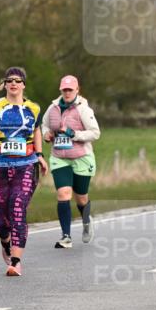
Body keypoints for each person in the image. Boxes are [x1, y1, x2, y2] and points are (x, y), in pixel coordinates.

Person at [0, 67, 48, 275]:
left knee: (18, 208)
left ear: (24, 85)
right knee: (4, 218)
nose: (14, 84)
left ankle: (15, 262)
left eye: (18, 81)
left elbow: (36, 131)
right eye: (10, 81)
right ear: (5, 84)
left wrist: (40, 156)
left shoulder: (33, 108)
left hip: (26, 164)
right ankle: (5, 243)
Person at [42, 75, 100, 248]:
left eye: (70, 90)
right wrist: (47, 134)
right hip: (60, 158)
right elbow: (44, 125)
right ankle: (66, 236)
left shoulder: (84, 109)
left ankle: (87, 221)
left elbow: (95, 133)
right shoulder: (52, 108)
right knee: (63, 193)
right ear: (60, 90)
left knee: (81, 198)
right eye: (64, 90)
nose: (67, 93)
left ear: (77, 90)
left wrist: (73, 134)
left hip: (81, 157)